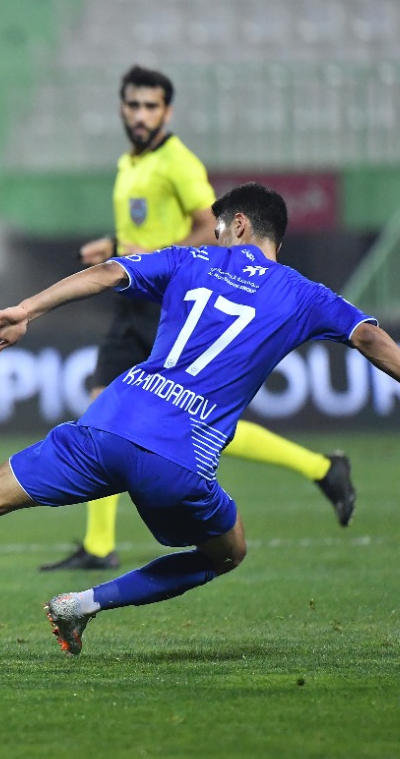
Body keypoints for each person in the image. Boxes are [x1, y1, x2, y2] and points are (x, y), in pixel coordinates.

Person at [0, 183, 400, 655]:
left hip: (108, 422)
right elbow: (370, 337)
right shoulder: (306, 295)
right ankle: (80, 605)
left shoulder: (189, 261)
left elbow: (108, 273)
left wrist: (25, 309)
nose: (215, 233)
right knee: (226, 551)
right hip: (178, 458)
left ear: (239, 224)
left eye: (219, 225)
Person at [42, 65, 356, 573]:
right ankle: (99, 545)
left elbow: (201, 231)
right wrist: (118, 248)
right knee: (106, 409)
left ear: (167, 111)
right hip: (133, 304)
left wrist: (136, 253)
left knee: (171, 418)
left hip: (172, 303)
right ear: (122, 107)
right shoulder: (130, 163)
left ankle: (321, 467)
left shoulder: (179, 163)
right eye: (133, 104)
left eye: (151, 106)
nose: (140, 114)